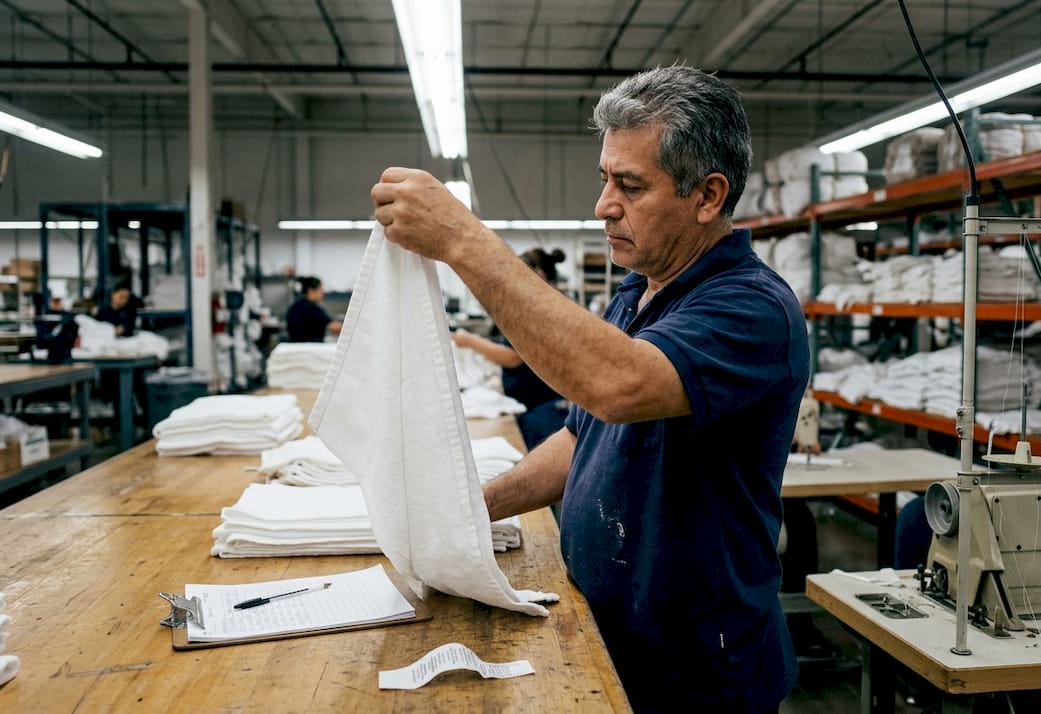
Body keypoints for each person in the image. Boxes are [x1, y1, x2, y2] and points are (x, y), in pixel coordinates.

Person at [372, 65, 809, 712]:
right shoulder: (637, 291)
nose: (605, 204)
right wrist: (471, 507)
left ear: (708, 196)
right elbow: (584, 434)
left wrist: (463, 239)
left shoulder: (752, 308)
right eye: (606, 179)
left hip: (698, 669)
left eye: (630, 186)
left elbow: (618, 386)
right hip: (612, 635)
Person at [451, 247, 570, 450]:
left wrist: (471, 341)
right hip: (537, 400)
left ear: (538, 273)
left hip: (543, 403)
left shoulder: (540, 308)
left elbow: (513, 357)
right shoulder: (539, 304)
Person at [285, 276, 342, 342]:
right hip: (312, 348)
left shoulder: (294, 307)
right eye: (320, 289)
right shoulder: (313, 309)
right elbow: (333, 326)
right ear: (311, 290)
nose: (323, 292)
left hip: (296, 347)